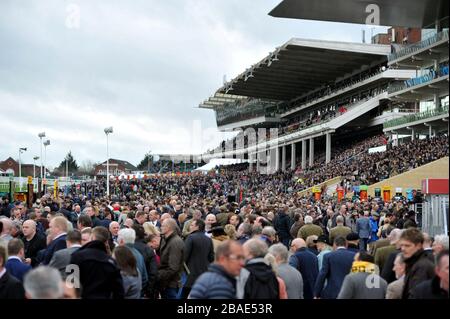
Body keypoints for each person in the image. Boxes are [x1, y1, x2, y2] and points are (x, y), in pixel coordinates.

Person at [70, 226, 124, 299]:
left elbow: (71, 284)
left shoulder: (76, 256)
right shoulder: (111, 262)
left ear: (92, 238)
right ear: (106, 242)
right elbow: (119, 291)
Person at [182, 219, 214, 299]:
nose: (190, 226)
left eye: (192, 225)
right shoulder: (208, 239)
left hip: (190, 275)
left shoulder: (191, 237)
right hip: (204, 275)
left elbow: (184, 256)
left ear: (197, 227)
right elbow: (211, 258)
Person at [400, 228, 435, 299]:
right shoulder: (414, 262)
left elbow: (416, 294)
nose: (403, 249)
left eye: (407, 245)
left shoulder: (421, 266)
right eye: (402, 245)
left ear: (419, 246)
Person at [158, 218, 184, 299]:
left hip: (170, 284)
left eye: (162, 226)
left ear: (168, 227)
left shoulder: (175, 242)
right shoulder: (166, 239)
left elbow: (173, 267)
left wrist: (159, 276)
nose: (160, 228)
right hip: (166, 283)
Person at [117, 228, 148, 294]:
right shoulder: (138, 254)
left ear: (121, 241)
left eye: (118, 238)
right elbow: (144, 278)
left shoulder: (120, 255)